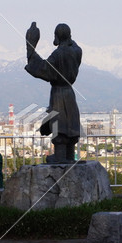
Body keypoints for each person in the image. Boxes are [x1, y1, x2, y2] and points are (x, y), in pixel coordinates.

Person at [25, 22, 82, 163]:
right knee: (69, 123)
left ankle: (60, 157)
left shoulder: (58, 54)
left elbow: (43, 68)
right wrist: (67, 37)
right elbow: (73, 45)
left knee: (60, 124)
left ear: (56, 36)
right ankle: (68, 156)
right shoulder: (77, 51)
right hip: (69, 93)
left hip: (59, 93)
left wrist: (30, 45)